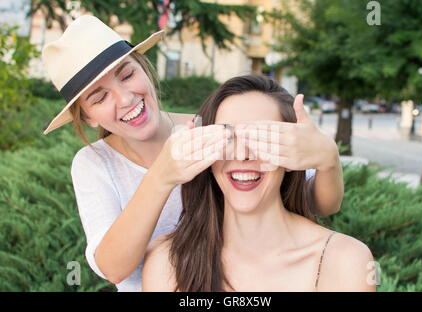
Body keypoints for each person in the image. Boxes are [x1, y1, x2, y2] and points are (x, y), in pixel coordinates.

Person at [41, 15, 343, 292]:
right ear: (89, 117)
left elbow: (315, 202)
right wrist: (163, 175)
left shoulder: (208, 127)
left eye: (127, 74)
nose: (125, 97)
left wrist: (328, 158)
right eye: (100, 97)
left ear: (144, 67)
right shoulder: (94, 164)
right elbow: (114, 268)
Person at [142, 75, 375, 292]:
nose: (243, 155)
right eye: (228, 136)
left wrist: (329, 157)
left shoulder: (344, 261)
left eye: (262, 137)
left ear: (292, 154)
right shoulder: (167, 261)